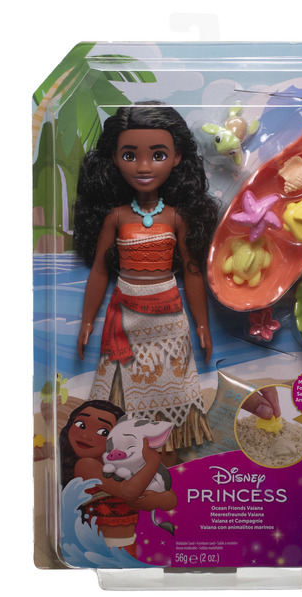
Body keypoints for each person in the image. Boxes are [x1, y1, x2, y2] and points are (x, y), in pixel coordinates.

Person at [74, 102, 219, 460]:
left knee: (171, 386)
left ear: (177, 157)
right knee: (122, 386)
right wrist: (87, 321)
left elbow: (192, 271)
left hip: (168, 318)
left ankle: (167, 453)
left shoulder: (176, 217)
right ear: (114, 158)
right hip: (126, 316)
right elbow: (100, 271)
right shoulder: (116, 216)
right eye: (129, 155)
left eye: (158, 155)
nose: (143, 167)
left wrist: (202, 324)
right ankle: (126, 452)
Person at [58, 400, 177, 558]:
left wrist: (158, 499)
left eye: (103, 432)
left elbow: (171, 499)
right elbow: (129, 492)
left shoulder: (126, 465)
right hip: (100, 548)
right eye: (81, 424)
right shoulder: (86, 465)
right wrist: (152, 461)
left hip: (126, 545)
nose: (86, 435)